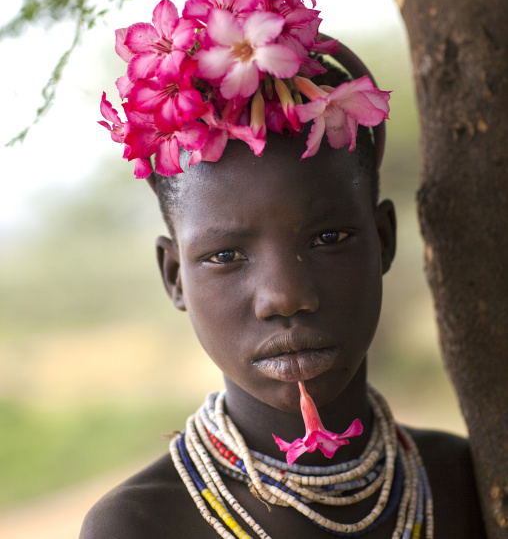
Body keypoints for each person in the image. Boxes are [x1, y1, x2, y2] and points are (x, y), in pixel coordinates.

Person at [81, 47, 486, 539]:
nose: (285, 296)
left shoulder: (467, 479)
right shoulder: (140, 526)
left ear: (383, 240)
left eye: (328, 238)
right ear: (174, 276)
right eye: (226, 256)